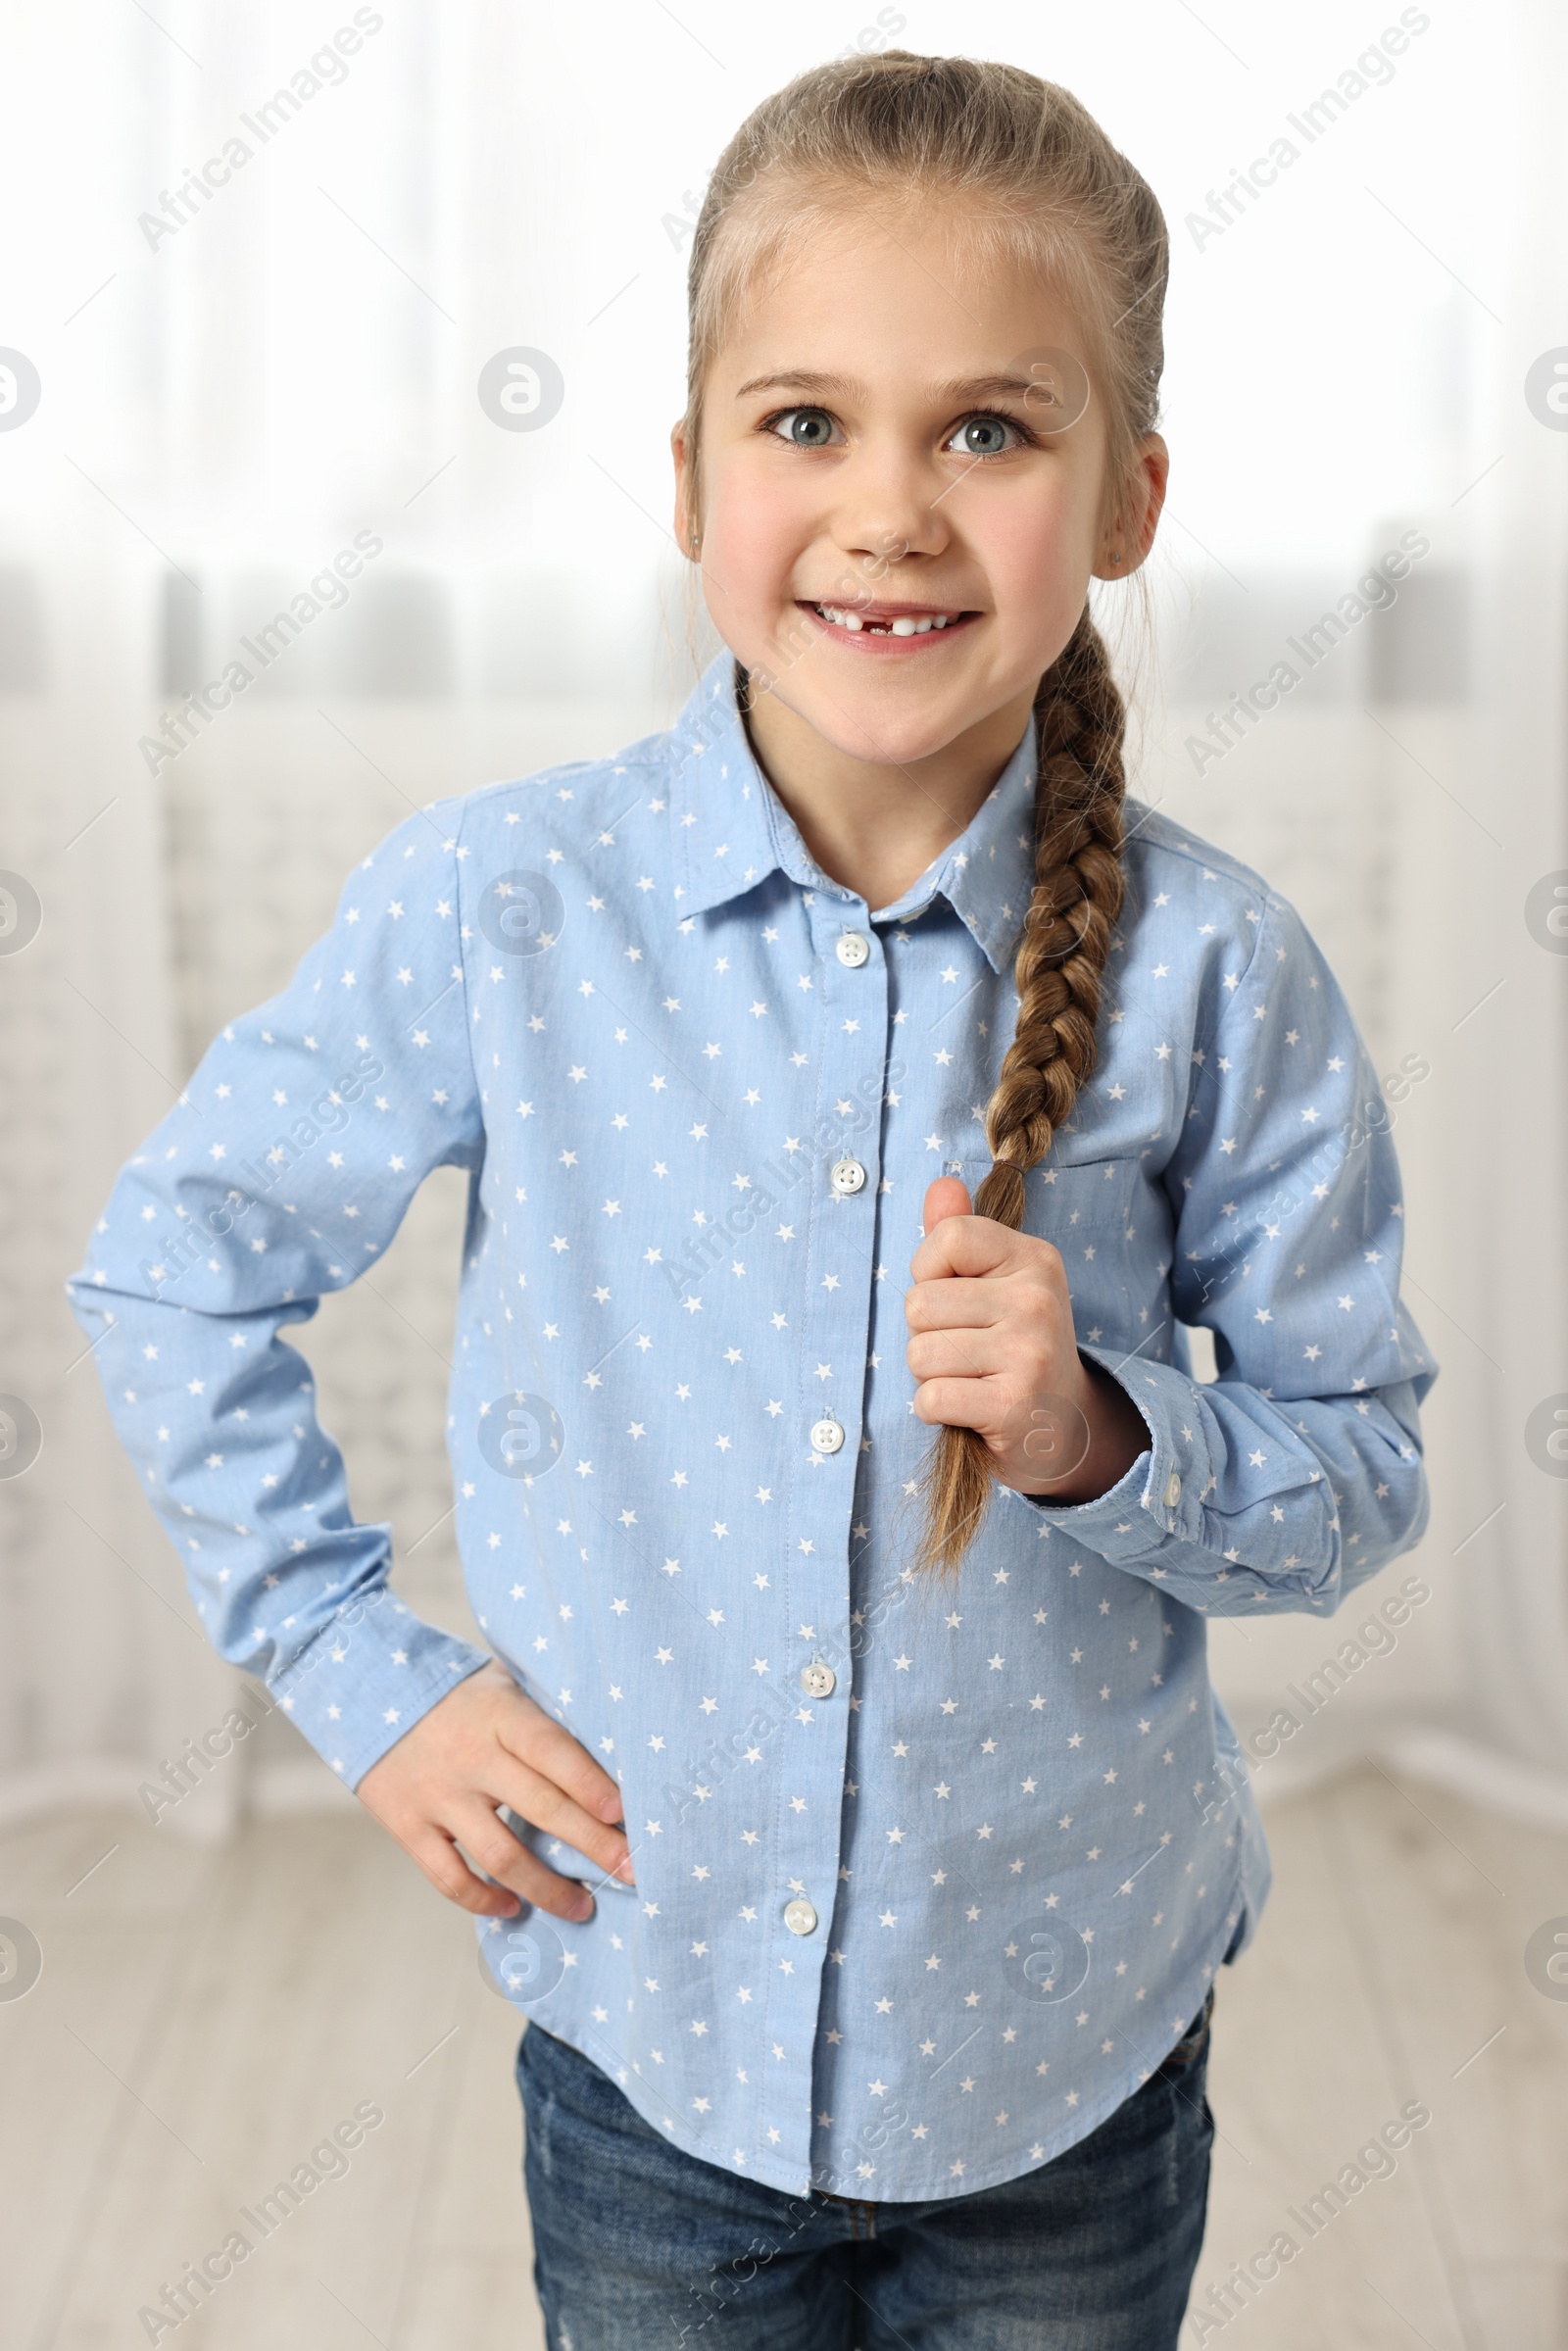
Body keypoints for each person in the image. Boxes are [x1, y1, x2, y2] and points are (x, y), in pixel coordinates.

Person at [70, 49, 1440, 2350]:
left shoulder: (1215, 972)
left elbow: (1361, 1471)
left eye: (987, 430)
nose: (888, 508)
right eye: (805, 424)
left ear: (1127, 498)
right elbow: (170, 1268)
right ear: (689, 467)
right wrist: (355, 1668)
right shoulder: (504, 905)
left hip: (1063, 2067)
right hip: (652, 2051)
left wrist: (1100, 1435)